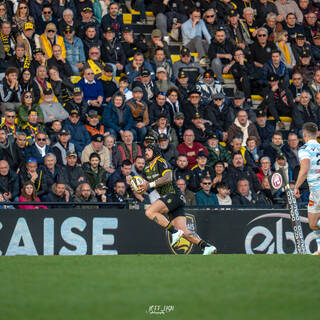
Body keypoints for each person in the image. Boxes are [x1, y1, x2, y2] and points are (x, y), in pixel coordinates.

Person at [135, 143, 216, 255]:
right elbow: (145, 187)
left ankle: (174, 231)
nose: (146, 152)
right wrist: (135, 185)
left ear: (156, 152)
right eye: (146, 150)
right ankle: (206, 246)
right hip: (172, 199)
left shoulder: (160, 161)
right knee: (185, 231)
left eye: (149, 150)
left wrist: (148, 185)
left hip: (173, 195)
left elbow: (168, 177)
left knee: (149, 212)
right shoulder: (147, 168)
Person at [294, 122, 320, 254]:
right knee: (313, 223)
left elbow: (304, 169)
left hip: (317, 189)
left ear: (304, 135)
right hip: (314, 191)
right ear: (317, 134)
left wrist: (296, 186)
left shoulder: (304, 149)